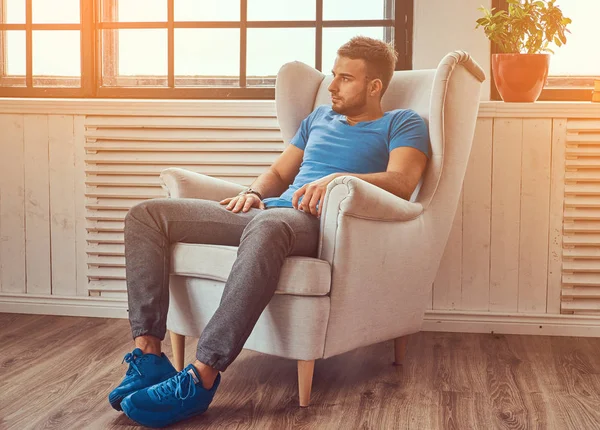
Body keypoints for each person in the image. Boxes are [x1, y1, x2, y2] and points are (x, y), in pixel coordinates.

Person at [109, 35, 431, 428]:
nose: (331, 86)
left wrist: (336, 181)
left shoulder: (402, 122)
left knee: (268, 224)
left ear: (375, 85)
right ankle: (148, 359)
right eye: (333, 75)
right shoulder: (318, 120)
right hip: (269, 213)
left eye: (345, 78)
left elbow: (402, 181)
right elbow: (280, 173)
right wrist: (252, 192)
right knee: (147, 215)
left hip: (317, 223)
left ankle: (201, 376)